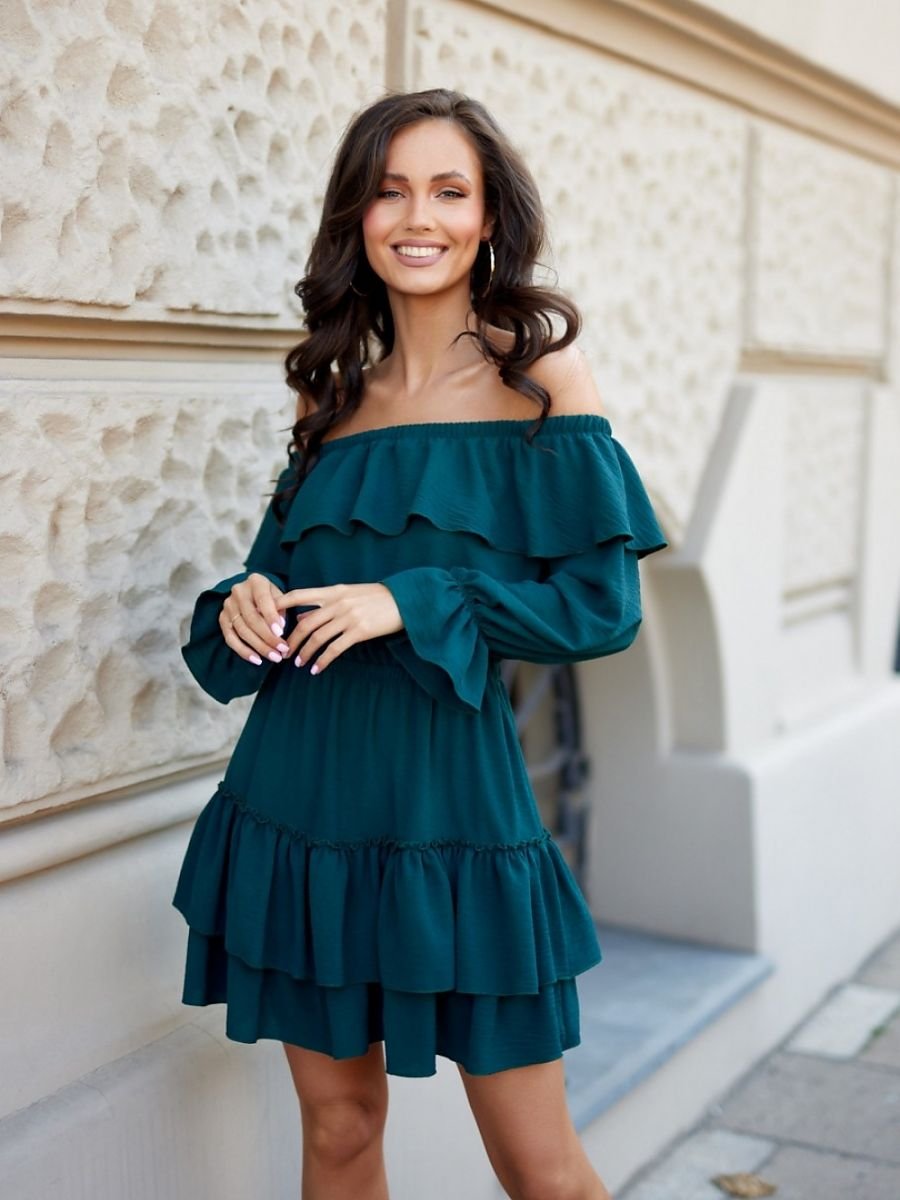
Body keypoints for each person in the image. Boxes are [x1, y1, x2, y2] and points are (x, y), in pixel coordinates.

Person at [172, 87, 668, 1200]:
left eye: (450, 191)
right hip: (301, 800)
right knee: (340, 1128)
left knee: (542, 1168)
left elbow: (603, 609)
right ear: (357, 217)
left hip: (456, 808)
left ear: (489, 219)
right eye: (390, 191)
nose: (418, 217)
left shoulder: (540, 383)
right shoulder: (329, 394)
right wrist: (247, 599)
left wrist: (417, 599)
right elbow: (280, 582)